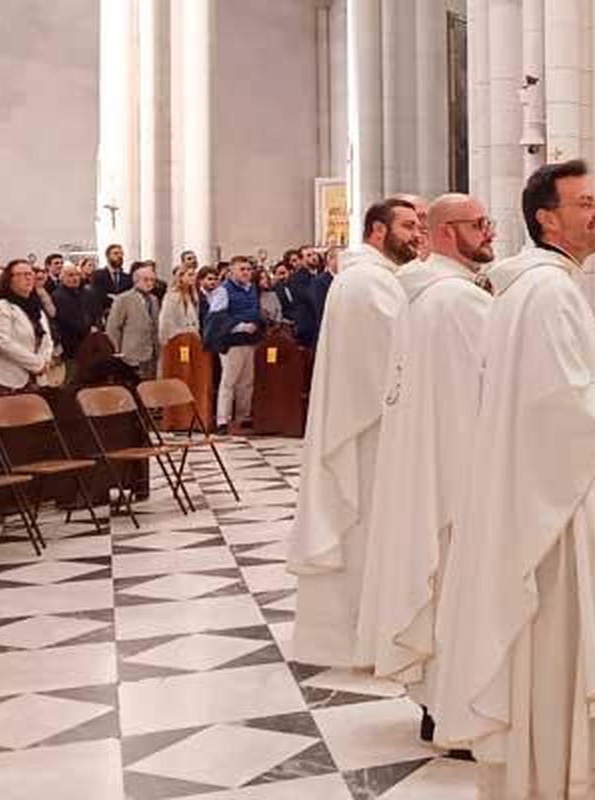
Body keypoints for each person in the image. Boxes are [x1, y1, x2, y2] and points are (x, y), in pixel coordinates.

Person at [432, 160, 595, 798]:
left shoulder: (533, 288)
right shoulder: (550, 291)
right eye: (585, 203)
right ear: (546, 219)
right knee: (559, 649)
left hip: (540, 498)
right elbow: (559, 415)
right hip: (558, 516)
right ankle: (563, 778)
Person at [357, 193, 494, 735]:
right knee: (459, 588)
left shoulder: (425, 294)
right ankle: (457, 714)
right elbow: (490, 392)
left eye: (489, 223)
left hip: (432, 460)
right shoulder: (457, 302)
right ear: (443, 234)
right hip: (459, 467)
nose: (489, 233)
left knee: (440, 586)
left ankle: (439, 706)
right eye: (478, 224)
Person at [287, 197, 422, 669]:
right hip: (369, 432)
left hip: (364, 423)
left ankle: (349, 638)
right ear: (377, 231)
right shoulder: (371, 284)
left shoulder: (368, 278)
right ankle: (358, 639)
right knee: (362, 535)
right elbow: (401, 361)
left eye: (421, 224)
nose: (417, 234)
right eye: (407, 225)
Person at [206, 257, 265, 435]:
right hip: (231, 341)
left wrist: (256, 324)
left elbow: (255, 309)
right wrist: (238, 326)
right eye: (242, 269)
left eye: (248, 269)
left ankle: (243, 417)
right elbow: (216, 317)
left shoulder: (252, 288)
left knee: (247, 382)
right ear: (232, 271)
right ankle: (223, 420)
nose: (246, 272)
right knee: (229, 381)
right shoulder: (223, 291)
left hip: (250, 340)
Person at [0, 260, 54, 395]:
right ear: (9, 280)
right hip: (4, 378)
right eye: (21, 274)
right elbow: (3, 342)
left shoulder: (37, 309)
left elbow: (47, 339)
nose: (28, 278)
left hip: (35, 379)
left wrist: (45, 360)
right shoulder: (2, 307)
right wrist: (36, 364)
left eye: (30, 274)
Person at [106, 265, 161, 378]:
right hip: (130, 354)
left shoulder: (154, 299)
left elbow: (155, 325)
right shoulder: (124, 299)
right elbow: (113, 327)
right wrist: (116, 352)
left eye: (152, 280)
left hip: (152, 353)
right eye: (146, 280)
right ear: (136, 281)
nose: (150, 283)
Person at [88, 243, 133, 324]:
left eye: (121, 254)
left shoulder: (127, 278)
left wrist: (114, 297)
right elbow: (97, 296)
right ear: (108, 256)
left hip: (124, 317)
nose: (119, 256)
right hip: (105, 316)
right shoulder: (98, 275)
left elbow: (129, 297)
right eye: (116, 253)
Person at [158, 264, 202, 346]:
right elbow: (166, 322)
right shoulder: (172, 296)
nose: (193, 278)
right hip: (177, 340)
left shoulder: (193, 295)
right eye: (190, 275)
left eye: (194, 275)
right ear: (181, 276)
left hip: (192, 340)